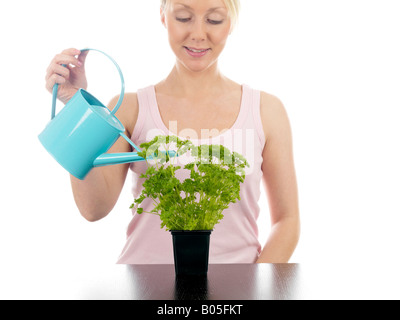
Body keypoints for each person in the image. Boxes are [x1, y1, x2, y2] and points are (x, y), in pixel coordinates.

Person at [45, 0, 300, 264]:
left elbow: (287, 221)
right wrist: (77, 108)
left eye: (214, 20)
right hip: (143, 289)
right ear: (163, 17)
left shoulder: (265, 111)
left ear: (232, 23)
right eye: (183, 17)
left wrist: (252, 286)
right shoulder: (131, 109)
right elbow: (93, 208)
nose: (199, 34)